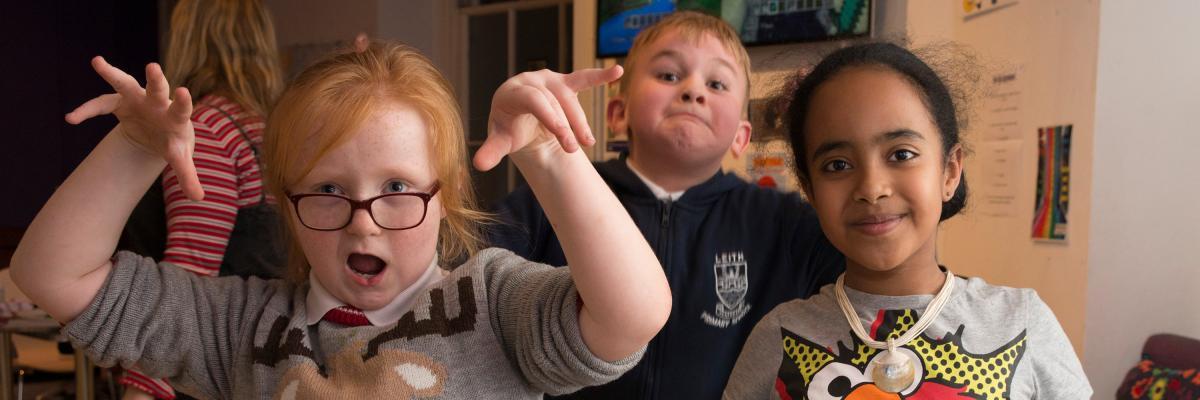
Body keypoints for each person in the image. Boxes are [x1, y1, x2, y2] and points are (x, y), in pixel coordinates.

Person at [10, 41, 671, 399]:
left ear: (443, 195)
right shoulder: (241, 325)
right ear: (285, 204)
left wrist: (546, 155)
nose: (365, 224)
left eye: (397, 188)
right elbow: (51, 275)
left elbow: (632, 315)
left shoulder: (492, 303)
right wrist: (133, 151)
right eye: (327, 189)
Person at [489, 11, 844, 399]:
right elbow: (460, 285)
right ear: (617, 115)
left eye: (717, 83)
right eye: (669, 76)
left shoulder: (786, 224)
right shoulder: (551, 196)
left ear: (742, 137)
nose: (693, 91)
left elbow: (881, 277)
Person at [723, 42, 1091, 399]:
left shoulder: (1020, 322)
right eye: (838, 165)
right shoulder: (781, 335)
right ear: (810, 190)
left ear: (949, 172)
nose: (872, 188)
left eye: (901, 154)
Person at [115, 1, 286, 397]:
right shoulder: (272, 132)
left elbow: (187, 279)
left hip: (214, 370)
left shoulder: (208, 130)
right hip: (272, 363)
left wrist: (140, 391)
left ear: (187, 39)